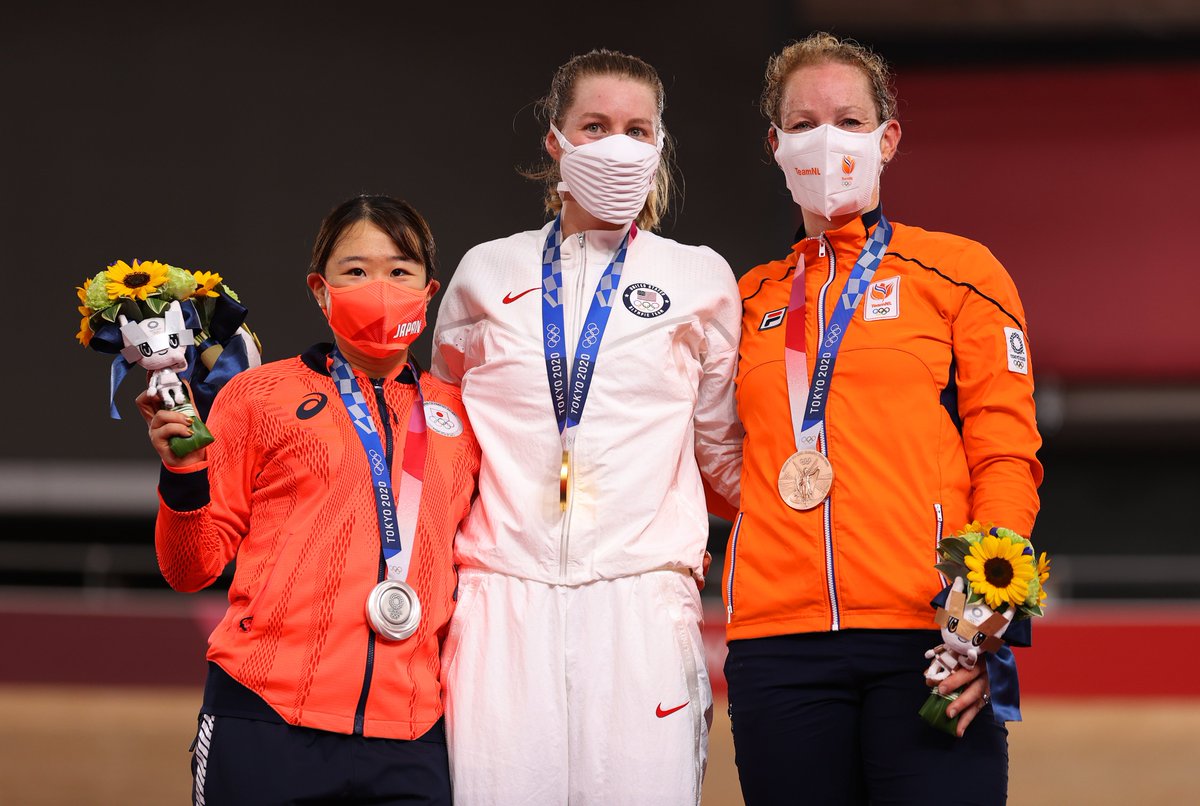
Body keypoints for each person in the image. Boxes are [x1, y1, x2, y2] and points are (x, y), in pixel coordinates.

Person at [724, 32, 1042, 805]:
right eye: (802, 124)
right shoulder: (742, 300)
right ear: (775, 145)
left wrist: (988, 617)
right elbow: (716, 462)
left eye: (850, 120)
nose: (825, 139)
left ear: (888, 138)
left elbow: (1004, 449)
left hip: (925, 637)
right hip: (776, 646)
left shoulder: (960, 272)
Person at [431, 48, 742, 805]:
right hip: (503, 601)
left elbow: (724, 459)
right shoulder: (486, 275)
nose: (616, 145)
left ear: (660, 146)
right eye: (595, 125)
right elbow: (440, 448)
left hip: (641, 605)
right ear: (556, 141)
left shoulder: (699, 279)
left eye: (637, 131)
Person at [140, 195, 479, 805]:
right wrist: (183, 472)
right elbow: (190, 569)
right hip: (263, 718)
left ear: (429, 294)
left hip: (412, 735)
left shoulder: (465, 416)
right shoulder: (257, 396)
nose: (379, 285)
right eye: (355, 270)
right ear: (319, 289)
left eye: (399, 270)